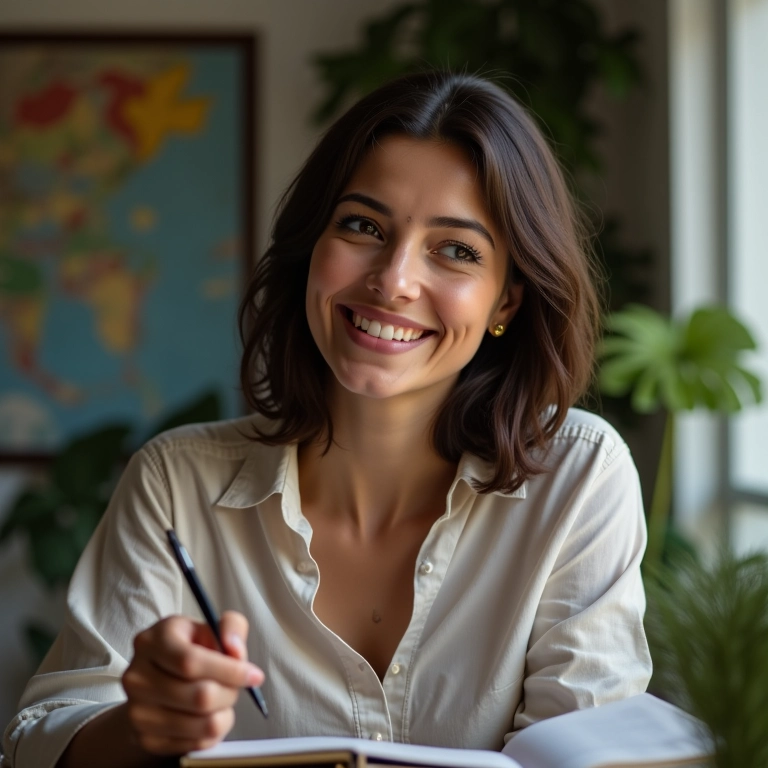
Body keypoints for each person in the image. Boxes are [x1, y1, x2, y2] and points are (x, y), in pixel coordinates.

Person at [2, 71, 652, 768]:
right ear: (312, 245)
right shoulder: (175, 482)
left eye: (456, 250)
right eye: (363, 226)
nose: (394, 279)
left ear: (505, 304)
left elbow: (585, 752)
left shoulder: (579, 478)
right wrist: (140, 725)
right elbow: (40, 738)